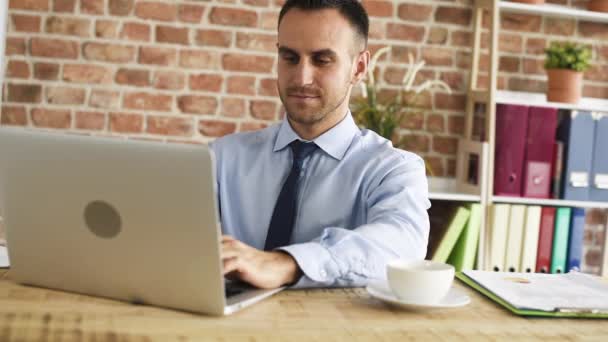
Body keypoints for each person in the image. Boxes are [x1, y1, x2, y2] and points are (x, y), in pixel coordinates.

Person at [211, 0, 430, 289]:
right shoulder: (222, 158)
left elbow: (402, 244)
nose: (302, 78)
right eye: (290, 58)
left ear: (359, 67)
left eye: (322, 60)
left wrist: (287, 263)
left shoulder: (392, 169)